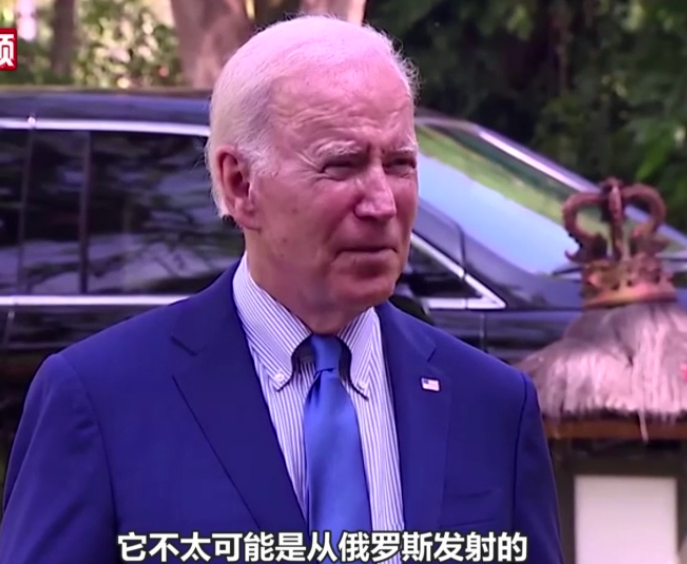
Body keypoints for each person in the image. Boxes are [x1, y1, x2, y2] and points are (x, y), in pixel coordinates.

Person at [0, 15, 563, 564]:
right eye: (341, 165)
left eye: (399, 164)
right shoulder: (101, 399)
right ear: (240, 184)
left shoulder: (492, 406)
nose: (381, 203)